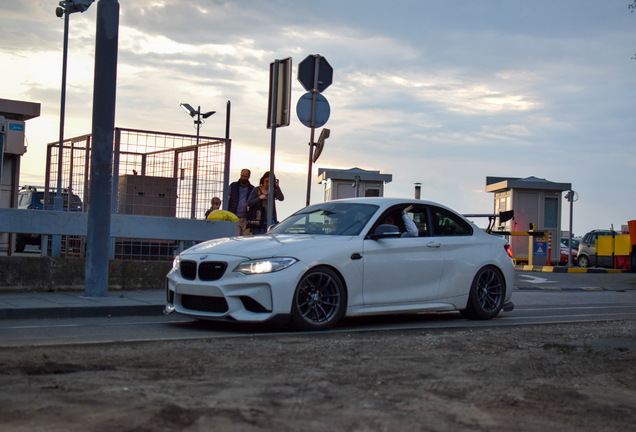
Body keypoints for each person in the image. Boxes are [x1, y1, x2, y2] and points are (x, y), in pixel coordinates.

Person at [227, 169, 255, 236]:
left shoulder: (252, 189)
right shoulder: (233, 186)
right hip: (235, 217)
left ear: (248, 177)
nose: (243, 178)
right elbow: (228, 199)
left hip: (247, 219)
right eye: (242, 176)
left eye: (245, 176)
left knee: (245, 240)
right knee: (236, 237)